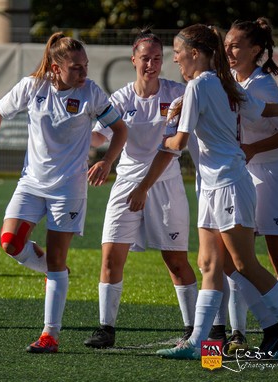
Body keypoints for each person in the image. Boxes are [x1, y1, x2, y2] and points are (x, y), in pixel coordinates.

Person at [128, 24, 278, 360]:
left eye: (178, 52)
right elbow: (260, 109)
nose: (176, 59)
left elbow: (179, 143)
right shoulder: (221, 83)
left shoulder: (201, 85)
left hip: (228, 183)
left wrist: (162, 134)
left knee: (244, 264)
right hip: (213, 185)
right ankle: (197, 341)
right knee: (209, 263)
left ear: (195, 53)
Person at [0, 32, 127, 353]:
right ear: (56, 68)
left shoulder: (91, 94)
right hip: (31, 183)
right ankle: (55, 271)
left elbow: (120, 129)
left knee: (56, 260)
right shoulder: (32, 86)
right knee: (10, 243)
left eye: (85, 66)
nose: (84, 73)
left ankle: (49, 335)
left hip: (68, 189)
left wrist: (107, 161)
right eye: (76, 68)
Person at [83, 29, 197, 349]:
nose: (151, 64)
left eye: (157, 58)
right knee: (110, 258)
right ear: (133, 60)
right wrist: (73, 138)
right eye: (145, 58)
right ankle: (106, 328)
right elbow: (98, 137)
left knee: (176, 261)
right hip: (127, 184)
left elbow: (172, 147)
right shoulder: (119, 99)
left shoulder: (177, 94)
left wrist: (144, 187)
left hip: (165, 186)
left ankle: (194, 329)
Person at [221, 17, 278, 354]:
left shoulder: (262, 83)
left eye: (236, 44)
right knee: (234, 255)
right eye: (226, 43)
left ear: (255, 49)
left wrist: (255, 148)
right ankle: (238, 332)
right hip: (242, 176)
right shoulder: (229, 80)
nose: (228, 49)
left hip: (272, 175)